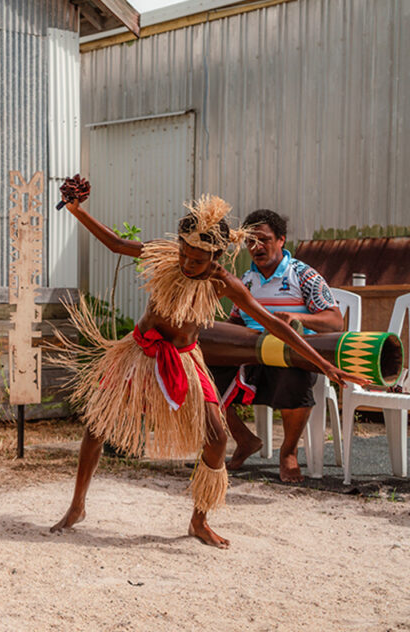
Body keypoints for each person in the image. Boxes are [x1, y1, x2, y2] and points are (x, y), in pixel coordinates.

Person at [50, 177, 363, 548]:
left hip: (184, 359)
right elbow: (116, 244)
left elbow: (276, 326)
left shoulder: (227, 284)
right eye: (183, 253)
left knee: (216, 439)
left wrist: (322, 363)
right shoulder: (167, 254)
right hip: (139, 352)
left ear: (216, 259)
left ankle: (199, 521)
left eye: (196, 260)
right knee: (97, 425)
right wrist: (75, 209)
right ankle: (77, 505)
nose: (185, 262)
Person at [209, 209, 343, 482]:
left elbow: (335, 322)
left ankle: (288, 452)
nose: (257, 247)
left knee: (294, 377)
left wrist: (298, 317)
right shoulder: (245, 280)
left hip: (292, 354)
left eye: (264, 239)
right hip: (250, 353)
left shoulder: (303, 275)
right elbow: (237, 321)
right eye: (250, 242)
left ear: (281, 240)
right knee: (206, 376)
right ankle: (244, 439)